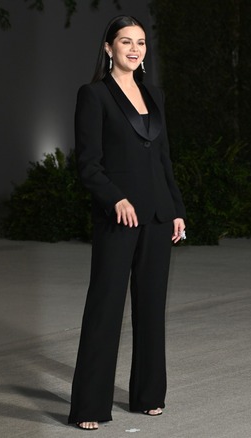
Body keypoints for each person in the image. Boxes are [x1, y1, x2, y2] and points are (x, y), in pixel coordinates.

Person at [67, 15, 187, 431]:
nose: (134, 49)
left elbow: (164, 161)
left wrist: (176, 210)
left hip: (156, 217)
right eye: (125, 42)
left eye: (140, 42)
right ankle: (89, 406)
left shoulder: (154, 94)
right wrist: (114, 197)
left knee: (152, 310)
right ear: (108, 48)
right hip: (118, 218)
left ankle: (149, 395)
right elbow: (88, 165)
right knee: (105, 310)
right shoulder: (94, 95)